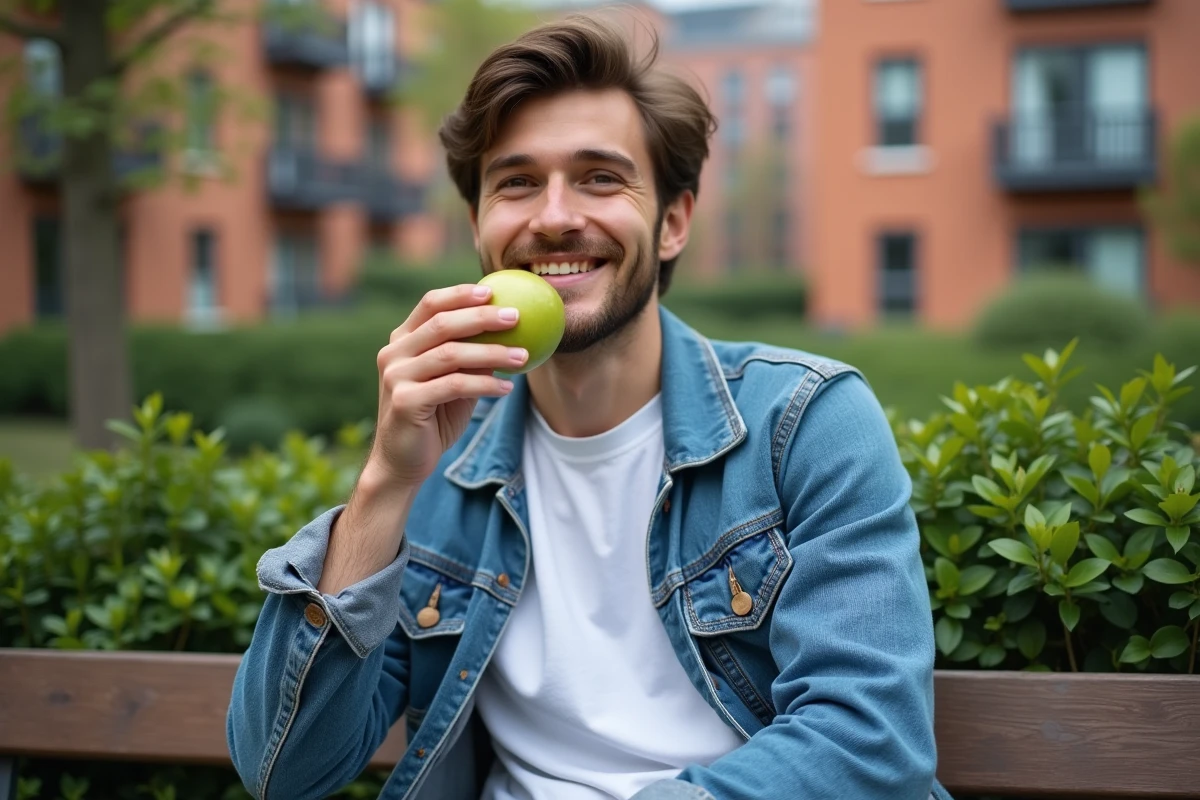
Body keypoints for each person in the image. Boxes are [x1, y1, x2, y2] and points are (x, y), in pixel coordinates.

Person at [227, 13, 953, 800]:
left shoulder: (805, 425)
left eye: (600, 177)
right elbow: (285, 769)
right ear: (478, 226)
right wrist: (383, 486)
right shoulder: (441, 472)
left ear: (672, 221)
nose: (553, 216)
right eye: (516, 182)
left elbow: (869, 741)